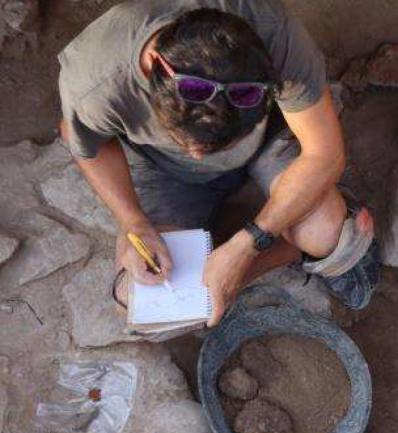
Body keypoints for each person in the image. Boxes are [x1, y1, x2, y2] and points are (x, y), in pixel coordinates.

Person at [58, 0, 379, 327]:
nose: (200, 155)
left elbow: (324, 154)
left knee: (325, 231)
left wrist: (247, 245)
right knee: (136, 304)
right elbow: (86, 143)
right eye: (187, 138)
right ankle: (245, 272)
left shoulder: (275, 37)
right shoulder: (97, 77)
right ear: (154, 64)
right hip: (163, 168)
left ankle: (291, 249)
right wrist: (133, 222)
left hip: (266, 140)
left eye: (211, 144)